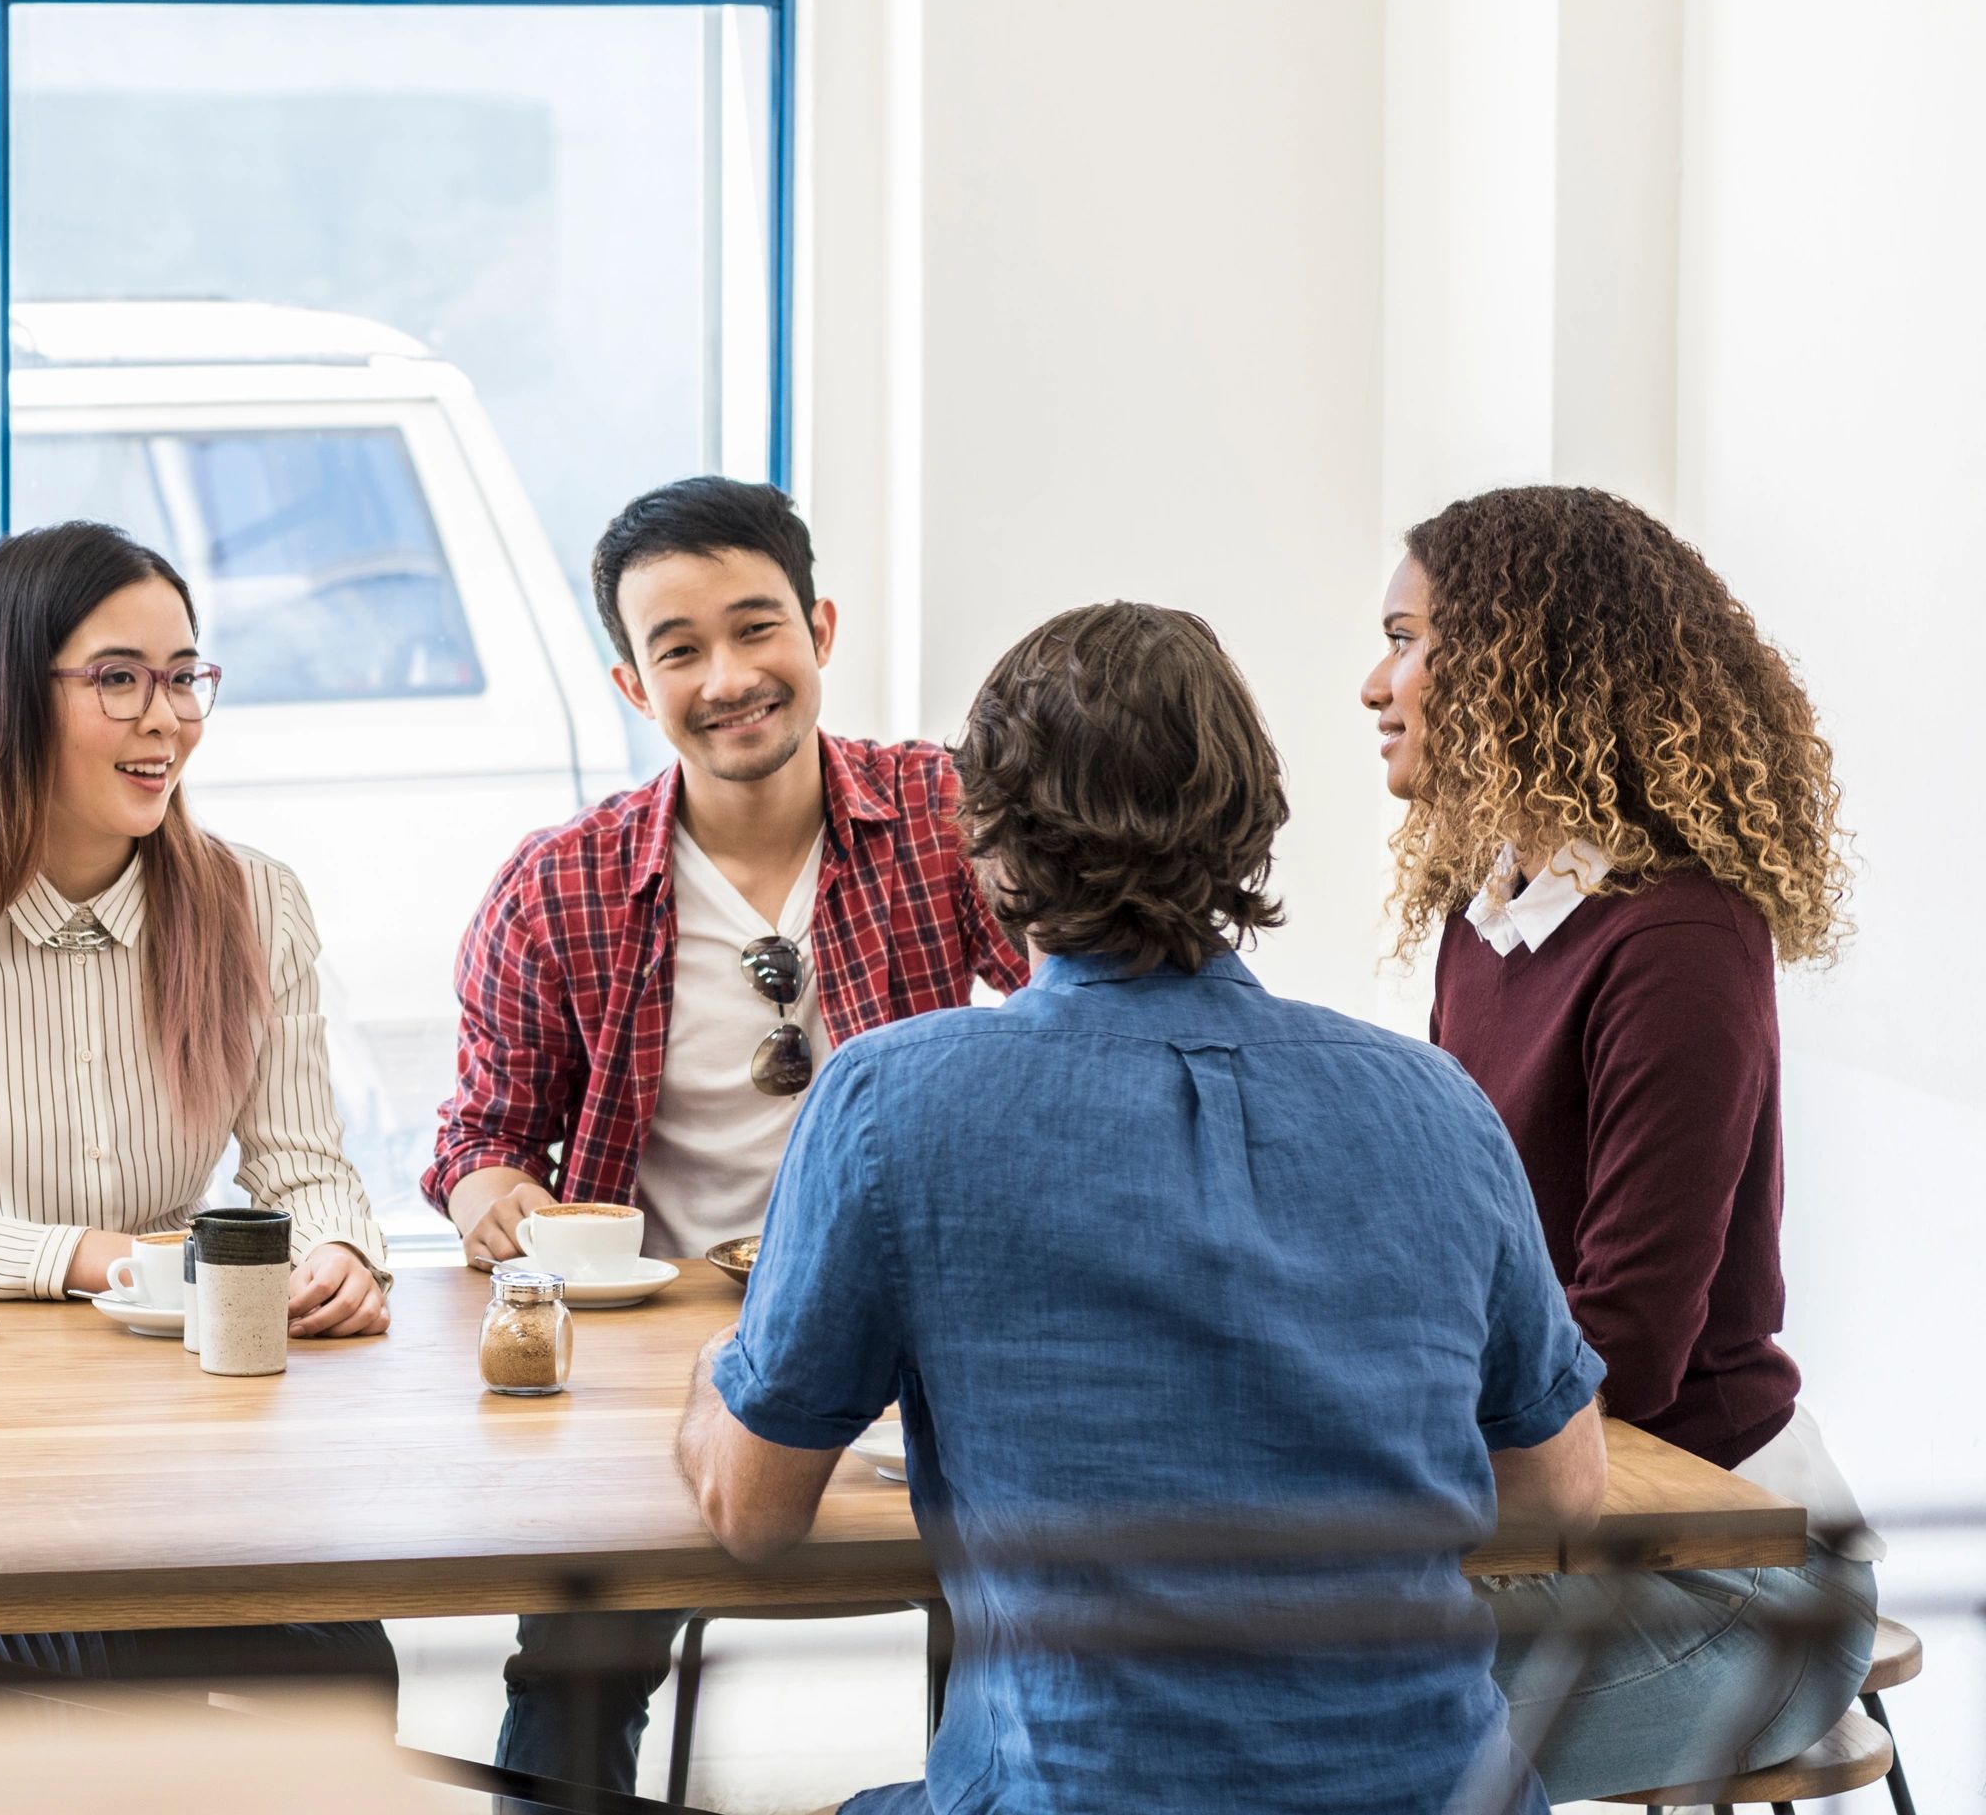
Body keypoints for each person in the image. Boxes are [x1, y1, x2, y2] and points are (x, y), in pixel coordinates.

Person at [678, 601, 1608, 1815]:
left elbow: (753, 1514)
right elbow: (1558, 1488)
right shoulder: (1433, 1102)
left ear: (993, 846)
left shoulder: (891, 1100)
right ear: (1247, 826)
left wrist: (715, 1370)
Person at [422, 476, 1025, 1800]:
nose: (730, 674)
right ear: (634, 688)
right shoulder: (559, 883)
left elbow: (1076, 1012)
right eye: (678, 648)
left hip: (929, 1347)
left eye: (758, 629)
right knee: (580, 1656)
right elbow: (477, 1141)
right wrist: (492, 1196)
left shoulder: (950, 814)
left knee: (1012, 1623)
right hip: (663, 1365)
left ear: (819, 629)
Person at [0, 517, 395, 1694]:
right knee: (97, 1656)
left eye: (183, 677)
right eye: (119, 679)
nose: (166, 719)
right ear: (7, 693)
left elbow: (307, 1167)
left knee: (338, 1657)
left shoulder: (254, 900)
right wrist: (102, 1259)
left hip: (206, 1421)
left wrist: (338, 1254)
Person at [1364, 483, 1880, 1800]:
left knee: (1318, 1717)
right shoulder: (1494, 911)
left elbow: (1628, 1348)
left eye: (1410, 640)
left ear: (1516, 663)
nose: (1378, 683)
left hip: (1733, 1568)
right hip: (1572, 1519)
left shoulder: (1682, 933)